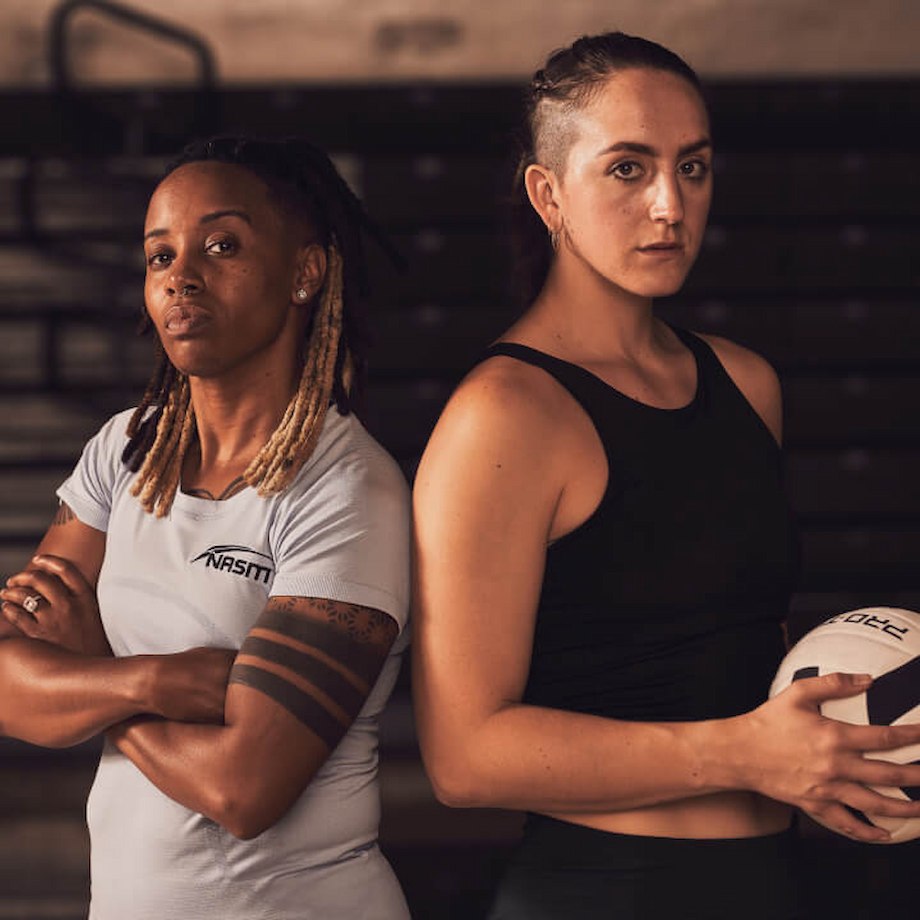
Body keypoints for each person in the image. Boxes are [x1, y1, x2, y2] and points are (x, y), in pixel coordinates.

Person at [410, 32, 920, 919]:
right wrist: (741, 755)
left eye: (693, 168)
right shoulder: (503, 416)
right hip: (606, 891)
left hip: (775, 885)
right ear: (549, 194)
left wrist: (845, 745)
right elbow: (464, 757)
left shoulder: (746, 383)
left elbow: (744, 661)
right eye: (627, 169)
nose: (669, 205)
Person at [0, 136, 411, 919]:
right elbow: (8, 686)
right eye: (160, 256)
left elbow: (243, 786)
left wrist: (84, 672)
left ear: (305, 273)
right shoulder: (124, 451)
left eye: (222, 246)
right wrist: (146, 679)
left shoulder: (348, 490)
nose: (181, 277)